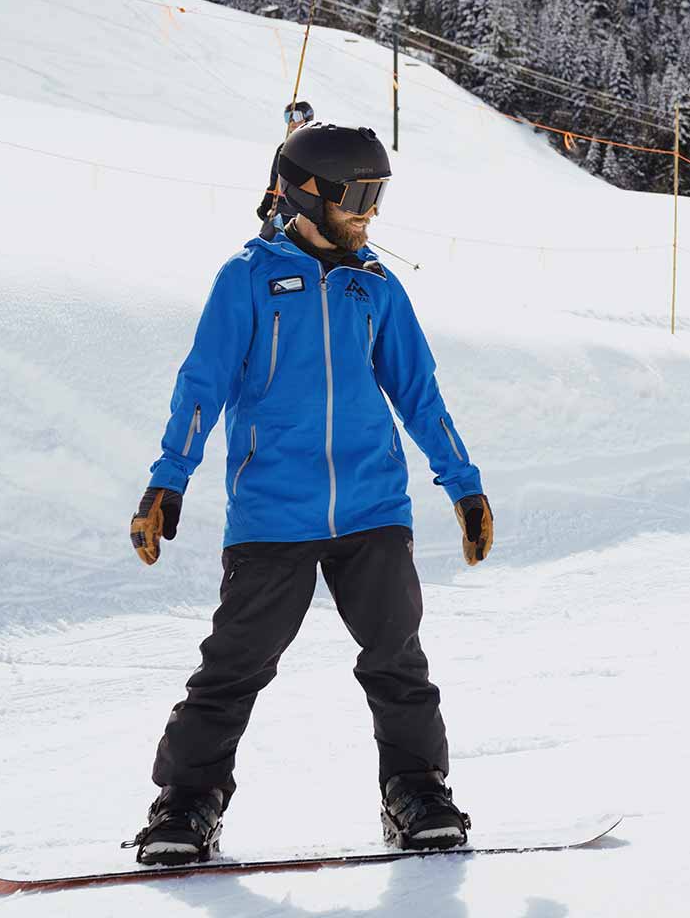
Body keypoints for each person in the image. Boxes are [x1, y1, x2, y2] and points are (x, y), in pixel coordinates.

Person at [126, 123, 497, 864]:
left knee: (397, 661)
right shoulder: (248, 279)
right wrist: (169, 479)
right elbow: (203, 385)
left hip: (373, 507)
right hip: (273, 512)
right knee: (233, 669)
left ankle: (416, 791)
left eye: (378, 194)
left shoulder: (376, 286)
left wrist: (464, 484)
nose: (371, 212)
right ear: (306, 192)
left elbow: (418, 392)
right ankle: (187, 804)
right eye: (359, 196)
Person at [256, 100, 314, 240]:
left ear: (308, 118)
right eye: (288, 117)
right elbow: (275, 178)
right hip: (280, 208)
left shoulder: (314, 148)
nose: (292, 121)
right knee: (266, 243)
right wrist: (266, 203)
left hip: (302, 212)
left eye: (296, 116)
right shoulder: (283, 148)